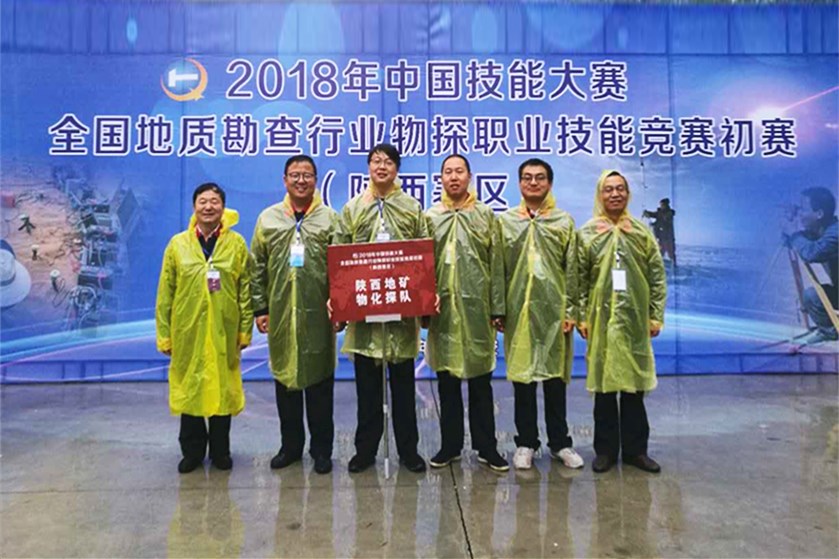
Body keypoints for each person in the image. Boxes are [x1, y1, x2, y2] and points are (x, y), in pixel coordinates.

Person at [335, 143, 428, 474]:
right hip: (365, 313)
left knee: (403, 391)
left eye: (388, 161)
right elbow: (340, 253)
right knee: (368, 392)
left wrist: (423, 300)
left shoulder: (411, 207)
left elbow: (423, 253)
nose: (382, 166)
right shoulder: (353, 208)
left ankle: (408, 451)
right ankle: (365, 451)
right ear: (368, 167)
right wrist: (340, 302)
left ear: (397, 169)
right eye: (376, 161)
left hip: (401, 311)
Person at [493, 158, 583, 471]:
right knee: (524, 379)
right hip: (518, 311)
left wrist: (571, 310)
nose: (534, 183)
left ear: (550, 183)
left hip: (555, 312)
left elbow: (573, 269)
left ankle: (560, 443)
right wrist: (498, 308)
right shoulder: (506, 222)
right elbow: (498, 268)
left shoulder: (563, 222)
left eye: (540, 177)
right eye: (528, 177)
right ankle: (526, 442)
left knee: (555, 378)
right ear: (519, 183)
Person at [251, 155, 339, 475]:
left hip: (319, 315)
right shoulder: (268, 219)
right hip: (281, 313)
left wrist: (340, 307)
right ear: (285, 180)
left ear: (315, 180)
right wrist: (261, 308)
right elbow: (257, 266)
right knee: (286, 381)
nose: (301, 181)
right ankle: (290, 447)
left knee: (319, 384)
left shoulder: (330, 219)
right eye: (295, 175)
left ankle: (322, 450)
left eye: (307, 175)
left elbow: (340, 268)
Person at [156, 183, 253, 473]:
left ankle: (221, 451)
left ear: (223, 207)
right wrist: (164, 334)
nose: (208, 206)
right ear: (194, 207)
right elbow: (165, 292)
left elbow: (245, 289)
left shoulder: (236, 244)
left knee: (222, 388)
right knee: (191, 387)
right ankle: (192, 452)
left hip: (224, 328)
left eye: (214, 201)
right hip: (187, 330)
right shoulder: (178, 245)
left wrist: (244, 329)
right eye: (203, 201)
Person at [577, 170, 666, 474]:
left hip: (634, 320)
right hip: (600, 320)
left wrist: (655, 314)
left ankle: (636, 451)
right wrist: (581, 315)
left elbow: (656, 275)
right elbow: (579, 278)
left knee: (633, 388)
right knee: (604, 388)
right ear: (599, 195)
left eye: (620, 189)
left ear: (628, 194)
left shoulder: (640, 233)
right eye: (608, 189)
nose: (614, 194)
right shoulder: (588, 233)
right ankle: (605, 451)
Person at [425, 154, 509, 472]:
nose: (453, 177)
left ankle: (487, 447)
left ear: (469, 176)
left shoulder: (485, 215)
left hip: (478, 311)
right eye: (448, 171)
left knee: (480, 382)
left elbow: (496, 263)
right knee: (447, 383)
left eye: (459, 171)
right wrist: (424, 305)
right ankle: (450, 446)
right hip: (444, 312)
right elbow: (423, 266)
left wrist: (497, 307)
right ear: (441, 179)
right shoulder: (430, 217)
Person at [782, 187, 838, 345]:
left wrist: (794, 233)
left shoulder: (835, 233)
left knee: (812, 295)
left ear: (819, 214)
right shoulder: (821, 231)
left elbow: (812, 253)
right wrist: (790, 223)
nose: (800, 214)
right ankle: (829, 331)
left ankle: (829, 333)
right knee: (811, 296)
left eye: (803, 209)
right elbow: (790, 241)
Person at [642, 198, 676, 265]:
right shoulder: (660, 213)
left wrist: (654, 224)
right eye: (661, 204)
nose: (661, 206)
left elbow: (664, 222)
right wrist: (647, 213)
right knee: (660, 254)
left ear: (666, 205)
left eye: (663, 205)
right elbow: (653, 215)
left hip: (669, 239)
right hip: (661, 238)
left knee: (671, 254)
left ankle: (674, 267)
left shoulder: (669, 213)